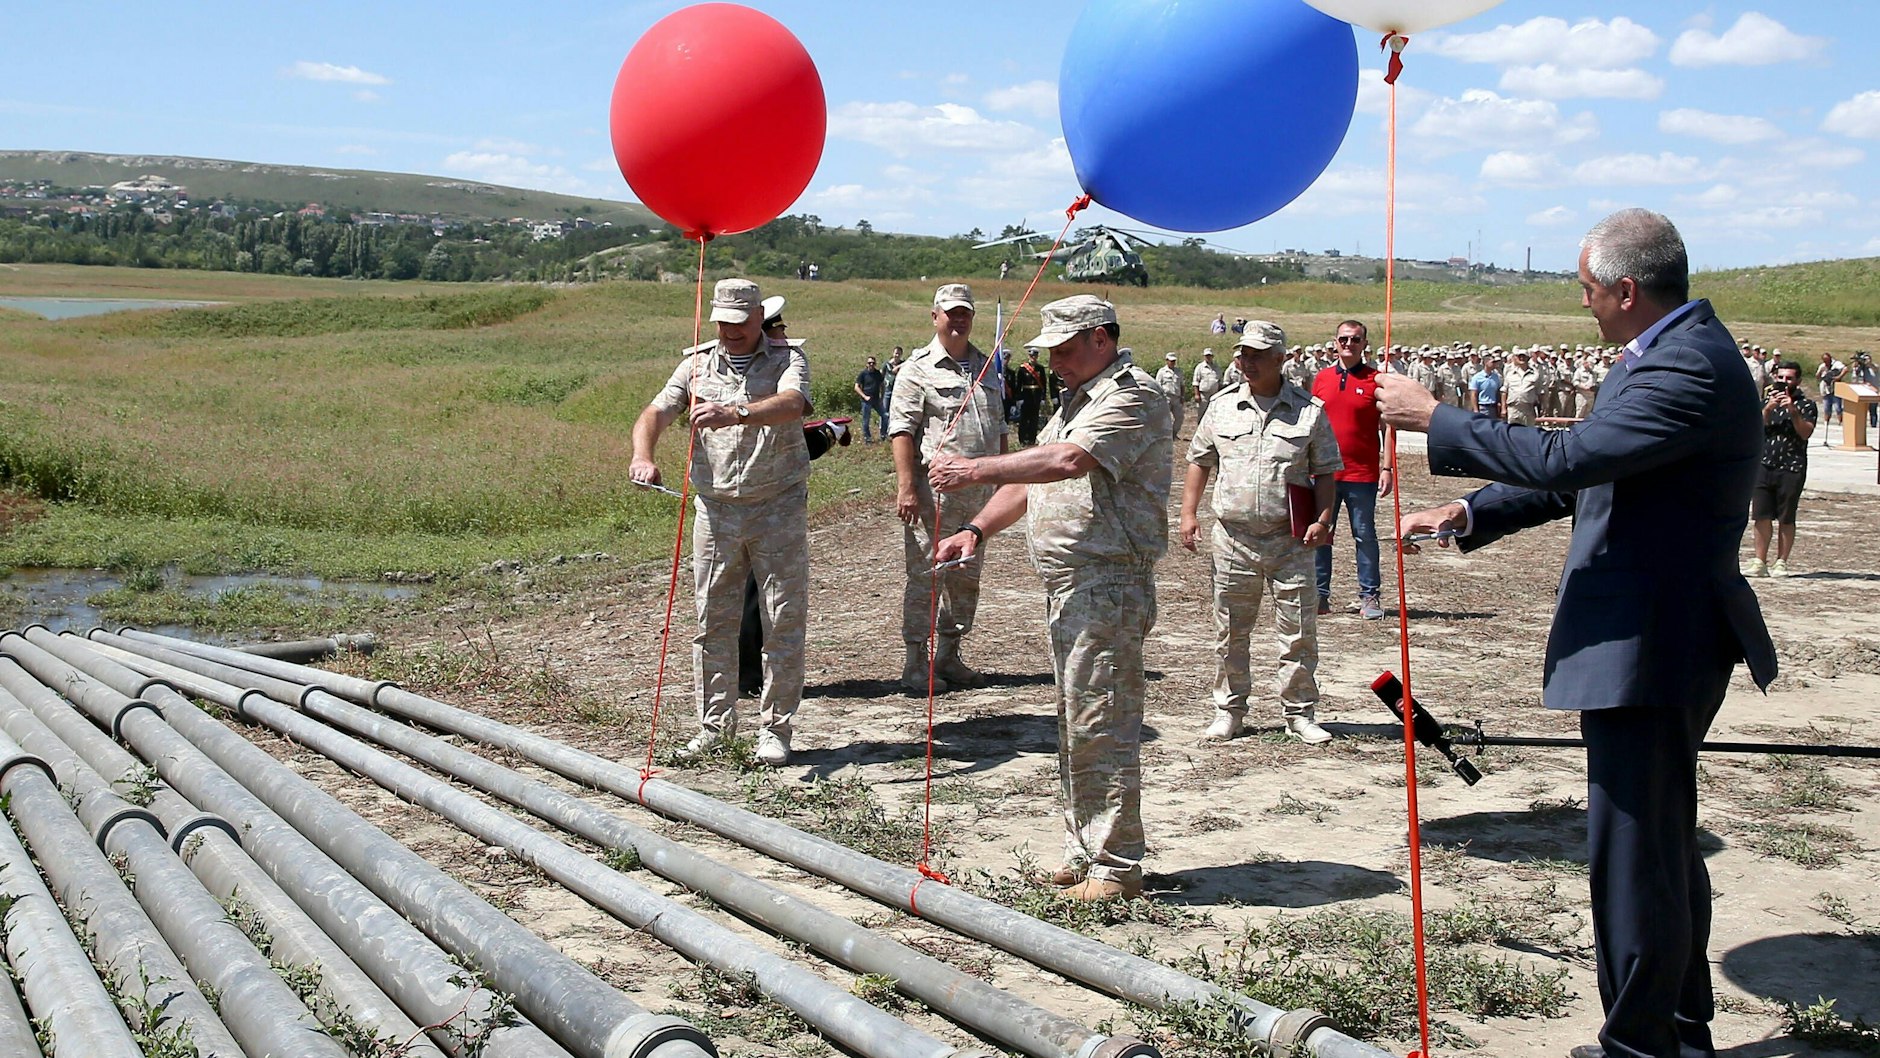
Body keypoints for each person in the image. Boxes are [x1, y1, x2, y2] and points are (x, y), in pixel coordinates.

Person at [1377, 208, 1776, 1058]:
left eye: (1589, 292)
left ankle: (1642, 1046)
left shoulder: (1687, 368)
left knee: (1635, 855)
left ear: (1627, 291)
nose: (1585, 306)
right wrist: (1472, 508)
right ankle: (1671, 1029)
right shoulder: (1667, 354)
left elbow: (1570, 460)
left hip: (1653, 640)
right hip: (1650, 633)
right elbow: (1586, 475)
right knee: (1653, 848)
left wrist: (1436, 417)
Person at [927, 294, 1171, 901]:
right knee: (1076, 720)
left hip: (1108, 582)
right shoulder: (1075, 401)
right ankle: (1084, 849)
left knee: (1103, 721)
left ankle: (1116, 866)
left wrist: (973, 468)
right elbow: (1030, 481)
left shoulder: (1132, 395)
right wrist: (974, 529)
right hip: (1071, 585)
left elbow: (1065, 461)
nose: (1053, 362)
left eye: (1063, 349)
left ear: (1100, 338)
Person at [631, 278, 812, 767]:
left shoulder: (786, 359)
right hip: (715, 510)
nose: (731, 331)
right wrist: (643, 454)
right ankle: (714, 726)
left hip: (776, 506)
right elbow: (655, 411)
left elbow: (792, 404)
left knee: (782, 620)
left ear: (759, 317)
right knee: (713, 619)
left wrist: (736, 412)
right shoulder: (696, 364)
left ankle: (776, 730)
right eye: (722, 322)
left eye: (740, 322)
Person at [1181, 321, 1341, 745]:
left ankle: (1300, 713)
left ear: (1279, 359)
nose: (1246, 362)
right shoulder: (1222, 406)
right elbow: (1200, 460)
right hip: (1234, 538)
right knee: (1231, 629)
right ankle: (1229, 711)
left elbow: (1325, 472)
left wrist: (1322, 521)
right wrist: (1188, 514)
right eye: (1242, 354)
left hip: (1290, 541)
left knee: (1298, 632)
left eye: (1255, 355)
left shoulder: (1309, 410)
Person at [887, 283, 1008, 694]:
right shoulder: (916, 369)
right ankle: (915, 661)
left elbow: (1000, 427)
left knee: (966, 577)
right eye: (951, 313)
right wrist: (907, 489)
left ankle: (950, 655)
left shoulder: (987, 366)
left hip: (979, 497)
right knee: (926, 577)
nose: (958, 321)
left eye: (965, 314)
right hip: (933, 495)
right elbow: (901, 431)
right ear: (934, 316)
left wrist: (1003, 483)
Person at [1311, 320, 1390, 621]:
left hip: (1362, 474)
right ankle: (1319, 595)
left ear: (1364, 344)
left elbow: (1388, 428)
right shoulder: (1321, 379)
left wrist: (1387, 468)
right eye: (1344, 339)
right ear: (1335, 342)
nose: (1349, 344)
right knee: (1320, 535)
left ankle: (1369, 596)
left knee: (1365, 535)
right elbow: (1312, 425)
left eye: (1355, 340)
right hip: (1325, 473)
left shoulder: (1376, 380)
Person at [1747, 360, 1817, 577]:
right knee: (1761, 515)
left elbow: (1805, 432)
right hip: (1765, 463)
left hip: (1792, 466)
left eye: (1789, 378)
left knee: (1786, 516)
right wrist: (1768, 408)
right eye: (1780, 378)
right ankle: (1760, 561)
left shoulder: (1806, 405)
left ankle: (1781, 561)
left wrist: (1792, 410)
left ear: (1798, 381)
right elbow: (1755, 429)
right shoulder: (1765, 402)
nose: (1784, 382)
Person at [1013, 348, 1050, 445]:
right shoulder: (1022, 369)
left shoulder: (1040, 368)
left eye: (1035, 356)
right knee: (1024, 418)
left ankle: (1031, 439)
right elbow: (1018, 384)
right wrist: (1019, 398)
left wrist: (1043, 397)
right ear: (1029, 357)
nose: (1033, 358)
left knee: (1034, 418)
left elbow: (1043, 384)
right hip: (1026, 395)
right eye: (1032, 356)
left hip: (1036, 396)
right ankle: (1022, 439)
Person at [1503, 349, 1542, 426]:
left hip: (1528, 409)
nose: (1521, 358)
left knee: (1528, 432)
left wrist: (1542, 407)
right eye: (1519, 356)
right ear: (1515, 358)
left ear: (1528, 358)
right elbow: (1504, 391)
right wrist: (1503, 408)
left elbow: (1540, 392)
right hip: (1513, 409)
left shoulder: (1535, 374)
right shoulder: (1510, 373)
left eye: (1524, 356)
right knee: (1512, 432)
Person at [853, 354, 887, 442]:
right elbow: (856, 387)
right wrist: (864, 396)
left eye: (873, 363)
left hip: (876, 400)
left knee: (885, 416)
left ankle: (883, 435)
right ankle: (867, 438)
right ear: (867, 364)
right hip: (866, 401)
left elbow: (882, 385)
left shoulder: (877, 373)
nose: (871, 364)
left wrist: (881, 397)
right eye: (869, 363)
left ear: (875, 364)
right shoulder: (863, 374)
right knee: (866, 420)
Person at [1156, 352, 1186, 436]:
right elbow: (1157, 385)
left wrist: (1182, 396)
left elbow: (1182, 385)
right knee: (1165, 418)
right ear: (1166, 361)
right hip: (1166, 397)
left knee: (1180, 417)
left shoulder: (1178, 371)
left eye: (1174, 361)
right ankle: (1164, 434)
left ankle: (1174, 434)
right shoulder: (1162, 372)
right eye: (1171, 361)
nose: (1173, 363)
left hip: (1176, 398)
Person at [1815, 350, 1845, 433]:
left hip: (1835, 389)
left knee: (1838, 408)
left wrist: (1838, 377)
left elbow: (1845, 369)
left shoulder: (1837, 364)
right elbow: (1817, 376)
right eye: (1825, 361)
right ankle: (1826, 424)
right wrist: (1821, 374)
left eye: (1827, 360)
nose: (1826, 362)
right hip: (1826, 389)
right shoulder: (1822, 366)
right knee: (1826, 408)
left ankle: (1840, 423)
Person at [1193, 349, 1222, 420]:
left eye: (1209, 356)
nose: (1208, 357)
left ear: (1212, 356)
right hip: (1204, 395)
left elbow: (1220, 381)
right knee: (1202, 413)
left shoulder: (1217, 367)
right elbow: (1195, 382)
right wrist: (1197, 394)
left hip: (1215, 395)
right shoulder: (1200, 367)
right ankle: (1200, 429)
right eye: (1206, 356)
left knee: (1214, 413)